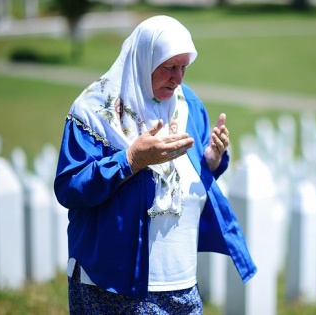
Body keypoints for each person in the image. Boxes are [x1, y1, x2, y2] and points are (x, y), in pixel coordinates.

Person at [54, 15, 257, 314]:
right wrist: (131, 160)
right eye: (169, 67)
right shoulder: (93, 111)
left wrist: (212, 161)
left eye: (184, 67)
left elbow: (192, 171)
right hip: (110, 287)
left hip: (182, 283)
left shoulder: (188, 104)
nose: (178, 79)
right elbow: (69, 187)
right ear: (144, 60)